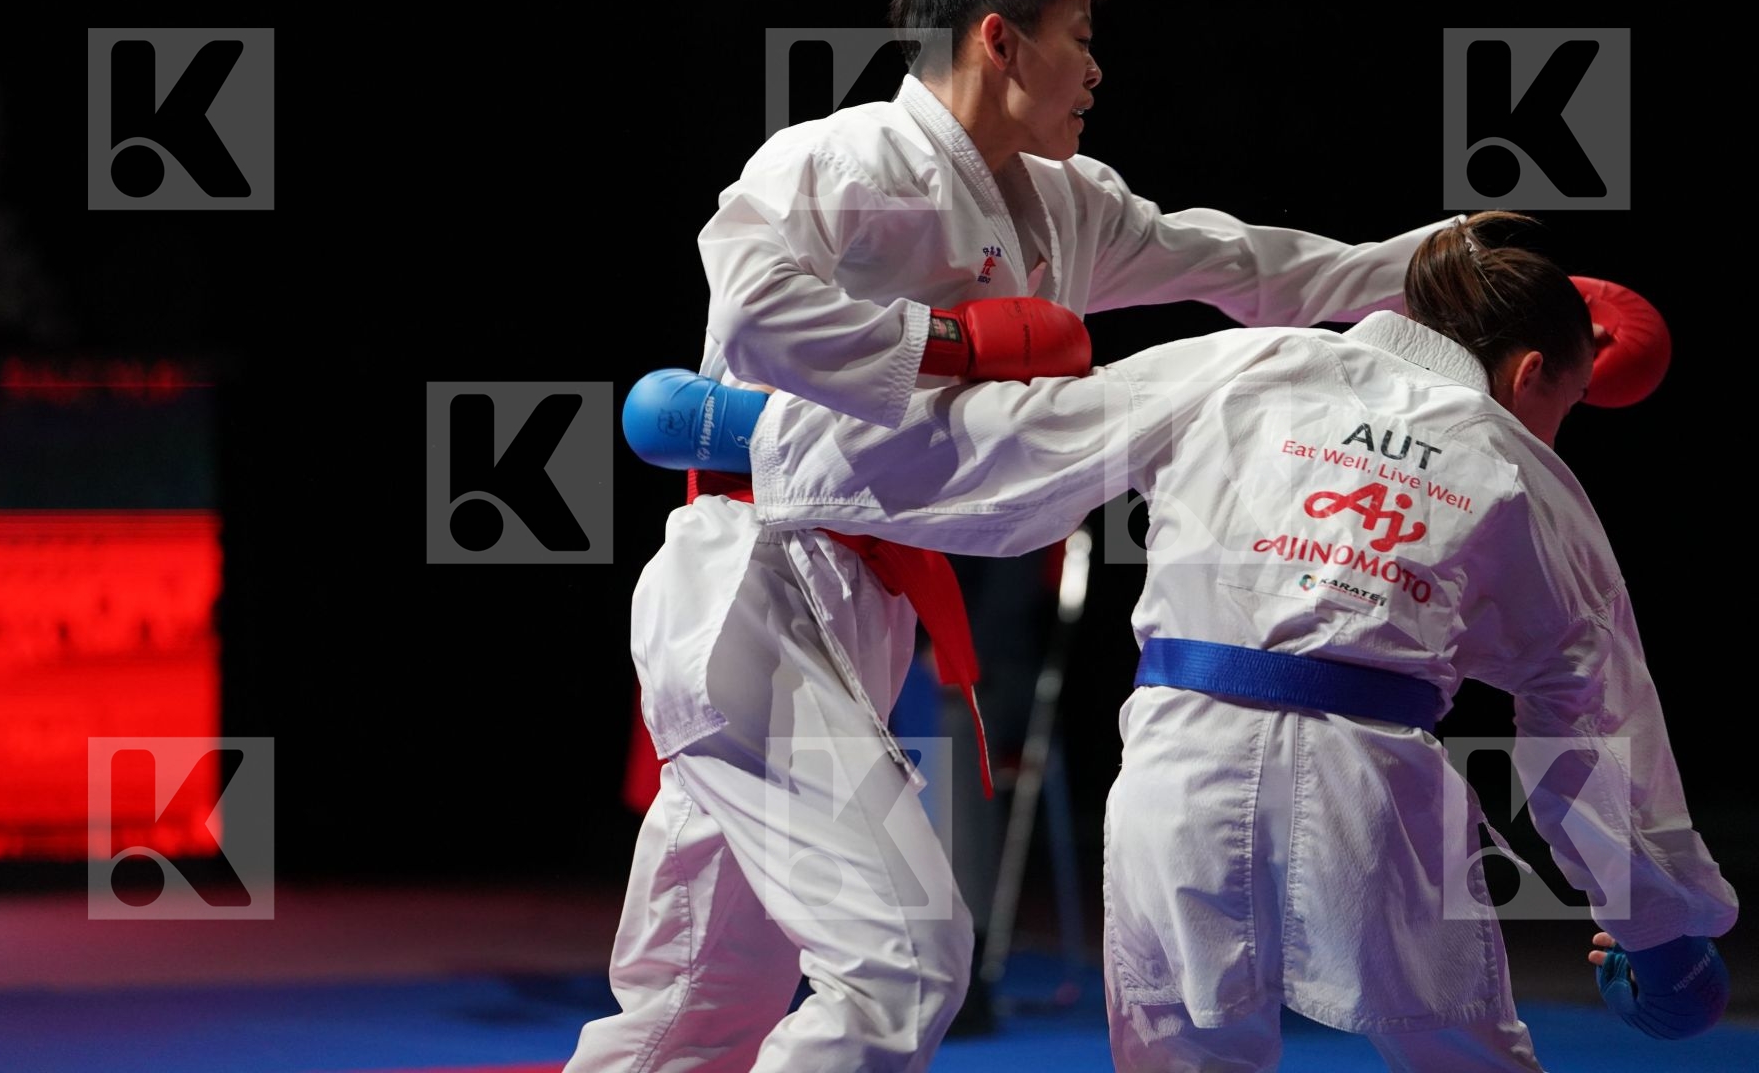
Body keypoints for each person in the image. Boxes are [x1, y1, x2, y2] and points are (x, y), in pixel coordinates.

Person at [574, 0, 1453, 1072]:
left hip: (858, 603)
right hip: (751, 589)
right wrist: (962, 345)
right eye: (1079, 36)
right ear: (1001, 38)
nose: (1096, 67)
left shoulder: (1068, 207)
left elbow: (1247, 263)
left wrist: (1439, 265)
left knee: (698, 1004)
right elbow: (756, 308)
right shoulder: (847, 158)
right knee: (904, 963)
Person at [674, 211, 1737, 1069]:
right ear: (1529, 375)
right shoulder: (1526, 471)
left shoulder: (1250, 363)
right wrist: (1657, 928)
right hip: (1371, 782)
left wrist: (756, 434)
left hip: (1183, 757)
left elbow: (1015, 442)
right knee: (1464, 1050)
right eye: (1567, 397)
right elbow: (1589, 716)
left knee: (1184, 1056)